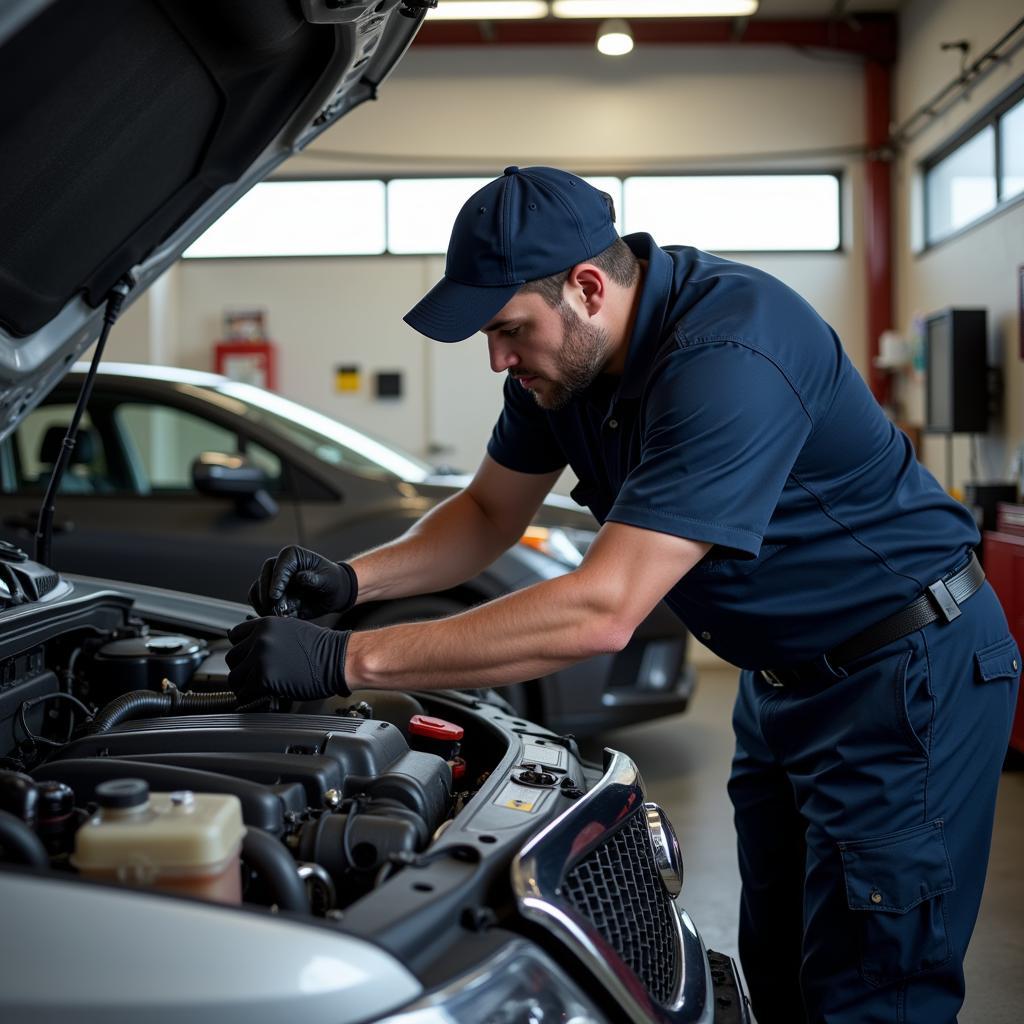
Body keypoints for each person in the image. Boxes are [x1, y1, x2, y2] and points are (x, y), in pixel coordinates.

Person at [226, 166, 1019, 1023]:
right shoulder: (562, 368)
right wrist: (354, 580)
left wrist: (348, 657)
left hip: (906, 676)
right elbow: (491, 510)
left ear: (589, 288)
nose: (497, 357)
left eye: (507, 329)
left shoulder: (729, 355)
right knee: (782, 970)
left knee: (873, 989)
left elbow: (603, 609)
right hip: (782, 684)